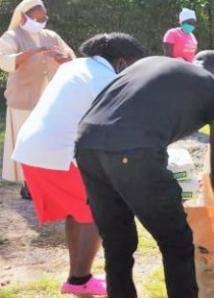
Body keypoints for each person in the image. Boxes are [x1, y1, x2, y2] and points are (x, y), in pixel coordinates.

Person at [75, 51, 214, 298]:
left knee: (117, 243)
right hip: (132, 149)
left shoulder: (152, 64)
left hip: (86, 144)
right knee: (177, 241)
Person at [11, 32, 146, 296]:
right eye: (132, 67)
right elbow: (118, 127)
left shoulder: (75, 67)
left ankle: (78, 277)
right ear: (121, 62)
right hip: (57, 153)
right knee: (96, 209)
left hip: (34, 149)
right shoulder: (105, 79)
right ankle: (79, 279)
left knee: (80, 211)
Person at [0, 0, 75, 199]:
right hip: (23, 99)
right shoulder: (12, 36)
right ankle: (29, 185)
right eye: (37, 18)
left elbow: (70, 58)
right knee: (26, 144)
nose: (42, 22)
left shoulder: (51, 36)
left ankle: (48, 183)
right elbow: (4, 62)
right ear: (24, 17)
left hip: (50, 98)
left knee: (47, 141)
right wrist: (33, 52)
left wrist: (63, 60)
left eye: (44, 18)